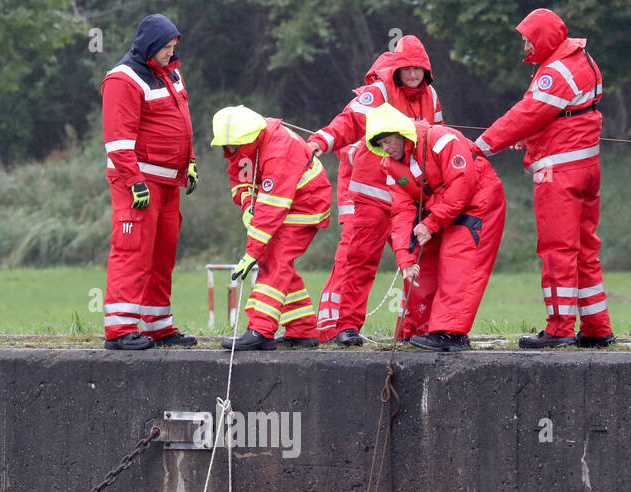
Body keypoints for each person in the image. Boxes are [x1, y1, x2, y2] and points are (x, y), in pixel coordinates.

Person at [476, 8, 613, 349]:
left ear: (543, 38)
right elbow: (565, 114)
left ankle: (559, 329)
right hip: (586, 168)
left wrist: (482, 146)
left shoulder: (555, 71)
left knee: (557, 250)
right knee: (585, 249)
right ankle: (597, 328)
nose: (524, 46)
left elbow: (525, 115)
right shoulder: (583, 60)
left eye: (527, 39)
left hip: (558, 172)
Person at [308, 37, 444, 346]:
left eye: (418, 70)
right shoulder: (378, 92)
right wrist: (321, 141)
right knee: (359, 260)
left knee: (416, 263)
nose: (412, 76)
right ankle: (346, 327)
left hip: (410, 195)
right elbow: (347, 122)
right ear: (396, 69)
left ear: (427, 71)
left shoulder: (432, 96)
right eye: (407, 69)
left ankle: (415, 330)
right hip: (371, 193)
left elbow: (438, 136)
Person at [365, 104, 505, 351]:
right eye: (381, 144)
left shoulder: (442, 139)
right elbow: (401, 213)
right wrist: (404, 260)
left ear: (402, 133)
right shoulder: (392, 166)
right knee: (424, 265)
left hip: (478, 201)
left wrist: (431, 222)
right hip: (443, 209)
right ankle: (423, 329)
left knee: (459, 263)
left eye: (389, 141)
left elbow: (464, 184)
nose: (386, 148)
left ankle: (450, 333)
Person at [101, 14, 197, 351]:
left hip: (170, 183)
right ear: (151, 47)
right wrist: (134, 182)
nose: (171, 53)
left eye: (173, 47)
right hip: (139, 183)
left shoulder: (170, 72)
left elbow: (181, 122)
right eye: (166, 48)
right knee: (132, 253)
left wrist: (191, 162)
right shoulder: (122, 79)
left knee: (162, 255)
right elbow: (117, 140)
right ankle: (120, 329)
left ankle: (158, 325)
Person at [212, 105, 331, 351]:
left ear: (251, 137)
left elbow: (272, 208)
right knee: (278, 263)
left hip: (305, 204)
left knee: (275, 262)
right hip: (282, 202)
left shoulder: (278, 151)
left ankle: (260, 330)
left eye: (234, 146)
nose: (231, 151)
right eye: (227, 147)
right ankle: (303, 329)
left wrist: (252, 253)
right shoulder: (241, 140)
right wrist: (247, 205)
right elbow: (239, 177)